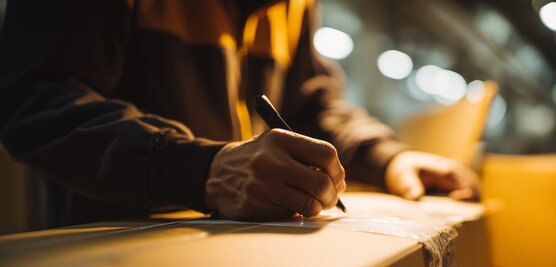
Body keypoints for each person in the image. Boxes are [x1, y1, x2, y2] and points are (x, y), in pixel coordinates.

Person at [0, 0, 479, 226]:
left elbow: (313, 105)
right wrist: (201, 169)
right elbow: (36, 96)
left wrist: (387, 157)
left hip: (231, 253)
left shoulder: (291, 6)